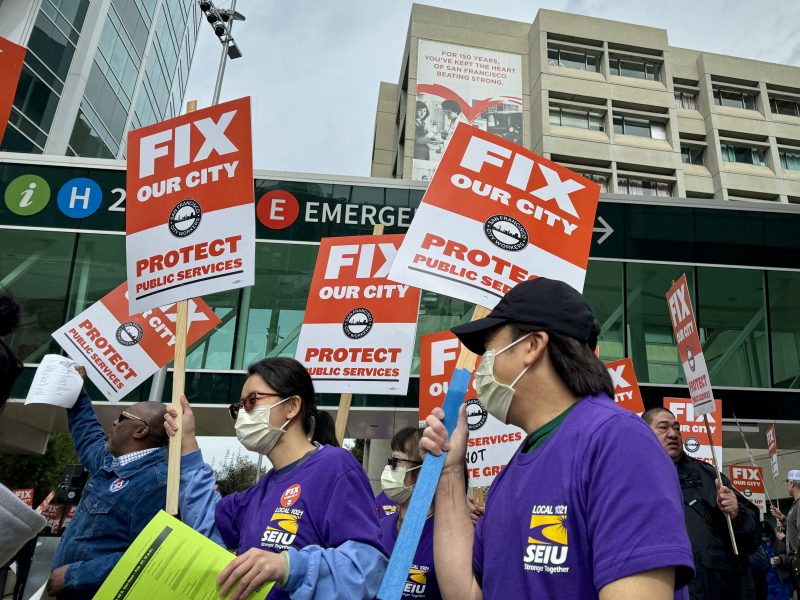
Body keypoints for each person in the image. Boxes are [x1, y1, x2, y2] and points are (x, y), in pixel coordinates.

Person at [421, 277, 694, 600]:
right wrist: (450, 470)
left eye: (490, 349)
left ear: (532, 346)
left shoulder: (619, 442)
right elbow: (467, 592)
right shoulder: (514, 470)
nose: (483, 367)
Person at [166, 357, 387, 600]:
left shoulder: (336, 466)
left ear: (292, 406)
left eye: (252, 401)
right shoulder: (260, 491)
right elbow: (206, 526)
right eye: (238, 407)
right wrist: (187, 440)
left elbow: (368, 568)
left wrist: (289, 566)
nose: (243, 415)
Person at [47, 365, 168, 599]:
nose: (114, 422)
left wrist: (75, 575)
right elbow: (88, 435)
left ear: (141, 431)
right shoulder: (110, 461)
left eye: (123, 417)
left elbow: (150, 555)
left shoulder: (156, 485)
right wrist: (78, 393)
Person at [643, 407, 759, 600]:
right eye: (663, 428)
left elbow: (753, 539)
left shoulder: (709, 477)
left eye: (676, 428)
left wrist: (737, 513)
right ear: (644, 433)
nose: (672, 434)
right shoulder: (631, 479)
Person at [379, 427, 440, 599]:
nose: (389, 469)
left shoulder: (444, 537)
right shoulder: (379, 528)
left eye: (396, 462)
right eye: (390, 461)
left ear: (424, 470)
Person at [770, 471, 800, 564]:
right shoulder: (796, 505)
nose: (787, 485)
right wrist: (782, 517)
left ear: (792, 484)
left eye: (788, 481)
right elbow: (794, 527)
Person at [760, 521, 793, 600]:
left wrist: (781, 559)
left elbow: (790, 558)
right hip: (765, 584)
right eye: (763, 536)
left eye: (766, 536)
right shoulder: (757, 545)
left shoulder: (780, 542)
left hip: (780, 583)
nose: (765, 538)